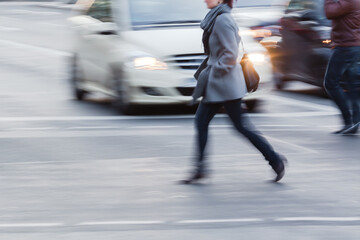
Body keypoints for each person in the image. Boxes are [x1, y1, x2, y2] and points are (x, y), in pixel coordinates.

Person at [180, 0, 287, 184]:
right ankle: (200, 168)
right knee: (210, 122)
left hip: (225, 83)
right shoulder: (218, 16)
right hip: (221, 83)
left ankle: (275, 160)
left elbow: (231, 53)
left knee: (237, 126)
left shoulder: (222, 19)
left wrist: (216, 70)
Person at [323, 0, 360, 134]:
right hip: (352, 46)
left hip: (346, 47)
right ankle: (353, 121)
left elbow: (329, 12)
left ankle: (349, 120)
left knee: (330, 83)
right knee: (352, 85)